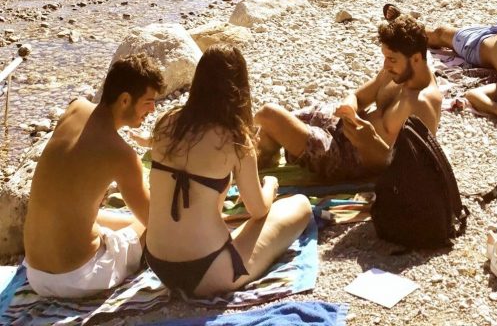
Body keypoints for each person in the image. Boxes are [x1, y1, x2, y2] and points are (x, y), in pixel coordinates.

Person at [145, 46, 311, 299]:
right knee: (300, 205)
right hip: (209, 270)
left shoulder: (166, 124)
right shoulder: (234, 138)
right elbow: (258, 210)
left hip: (158, 264)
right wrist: (271, 184)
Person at [24, 55, 164, 298]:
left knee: (90, 213)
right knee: (149, 226)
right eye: (149, 102)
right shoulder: (121, 154)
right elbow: (156, 222)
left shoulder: (75, 108)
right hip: (78, 278)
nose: (153, 109)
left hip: (34, 274)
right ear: (124, 100)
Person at [256, 15, 442, 181]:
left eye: (392, 59)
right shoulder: (395, 73)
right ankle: (259, 163)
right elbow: (357, 97)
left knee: (268, 115)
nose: (386, 65)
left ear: (416, 59)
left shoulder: (423, 104)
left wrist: (369, 141)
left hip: (345, 155)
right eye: (385, 58)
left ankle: (249, 174)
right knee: (263, 129)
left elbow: (413, 170)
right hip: (337, 122)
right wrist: (350, 108)